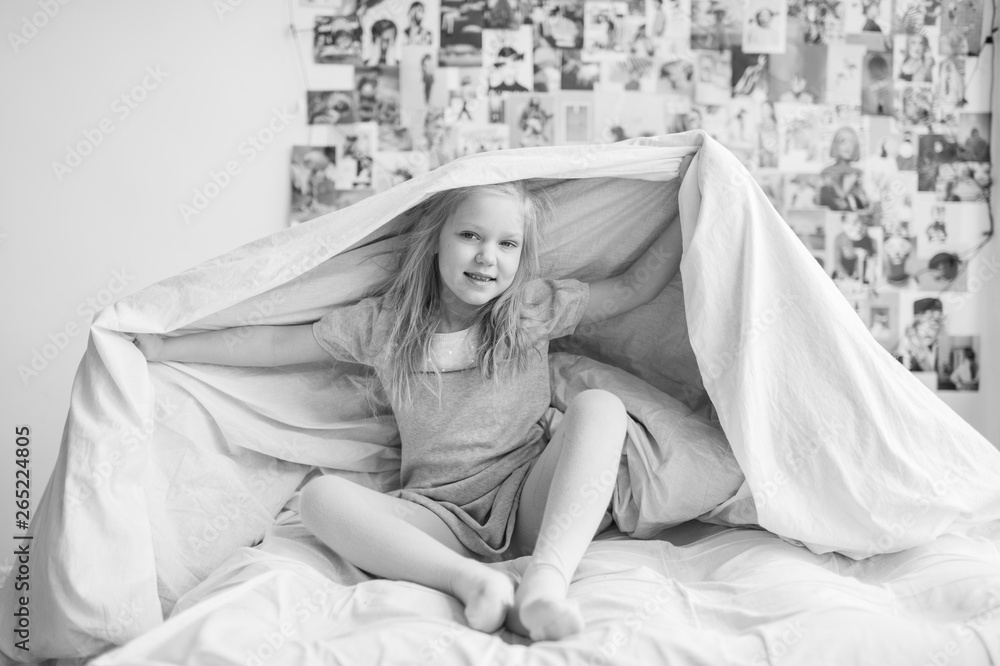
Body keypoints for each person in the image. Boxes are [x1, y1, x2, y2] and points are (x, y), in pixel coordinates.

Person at [132, 178, 686, 641]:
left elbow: (636, 286)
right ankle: (472, 582)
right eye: (470, 235)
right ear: (436, 238)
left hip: (528, 495)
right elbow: (276, 346)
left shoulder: (531, 309)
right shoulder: (387, 325)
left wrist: (695, 204)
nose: (487, 257)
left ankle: (547, 578)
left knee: (600, 407)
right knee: (320, 499)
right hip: (437, 513)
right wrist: (167, 347)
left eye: (507, 244)